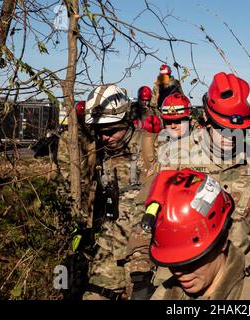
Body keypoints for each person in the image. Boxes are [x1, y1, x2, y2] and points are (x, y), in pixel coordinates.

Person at [126, 72, 250, 298]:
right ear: (208, 117)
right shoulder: (174, 156)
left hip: (238, 283)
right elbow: (145, 219)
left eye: (239, 130)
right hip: (179, 281)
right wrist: (139, 278)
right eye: (222, 127)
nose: (230, 136)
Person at [146, 168, 250, 300]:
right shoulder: (164, 295)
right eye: (172, 263)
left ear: (221, 242)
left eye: (190, 261)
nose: (179, 272)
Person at [80, 84, 143, 300]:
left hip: (144, 253)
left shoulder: (151, 149)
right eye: (99, 133)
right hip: (109, 247)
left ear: (127, 120)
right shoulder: (100, 153)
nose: (105, 138)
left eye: (110, 131)